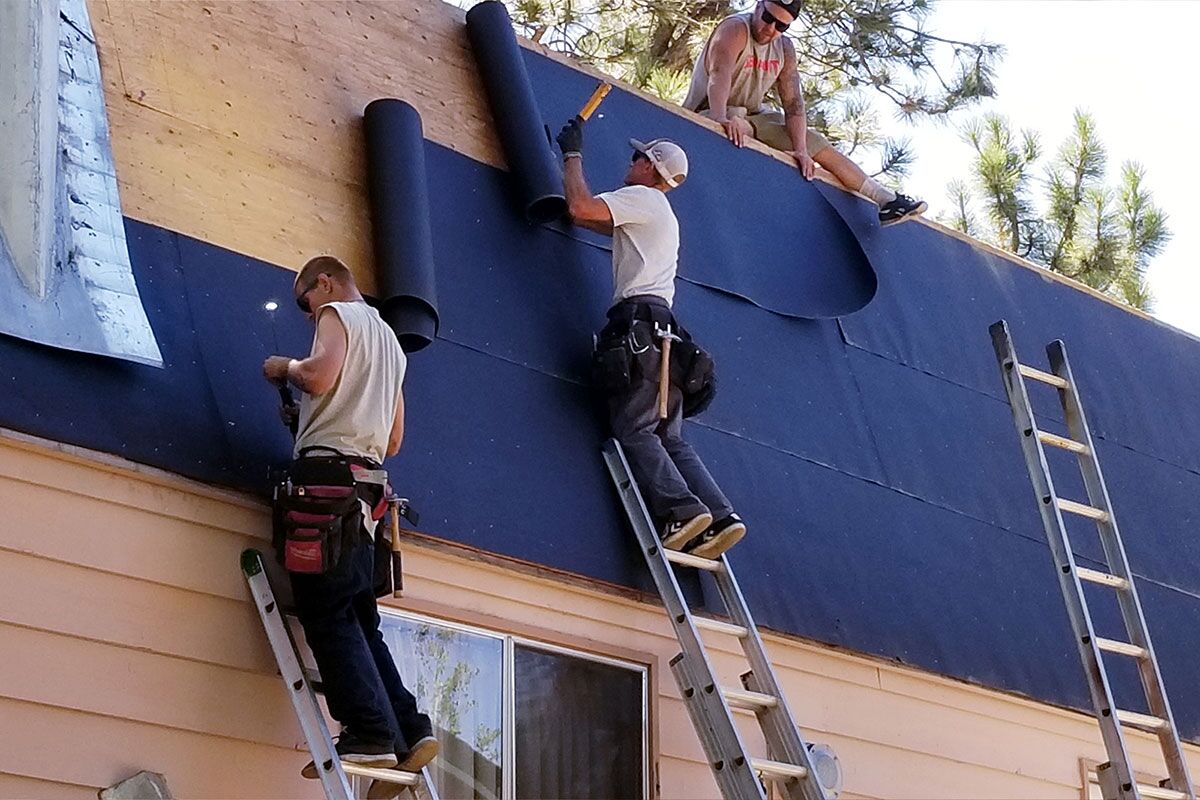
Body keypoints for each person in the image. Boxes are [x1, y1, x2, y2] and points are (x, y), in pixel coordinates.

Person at [263, 255, 437, 794]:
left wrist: (284, 369)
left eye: (305, 301)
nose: (307, 314)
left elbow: (318, 374)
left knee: (327, 612)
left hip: (327, 481)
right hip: (367, 492)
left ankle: (368, 732)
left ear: (326, 282)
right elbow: (392, 442)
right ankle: (409, 728)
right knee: (360, 617)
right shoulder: (390, 345)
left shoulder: (338, 313)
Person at [555, 118, 747, 559]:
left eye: (638, 156)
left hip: (638, 326)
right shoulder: (659, 214)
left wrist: (572, 155)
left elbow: (580, 209)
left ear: (651, 168)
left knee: (634, 428)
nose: (631, 160)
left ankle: (681, 508)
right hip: (665, 336)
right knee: (669, 436)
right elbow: (599, 221)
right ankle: (718, 516)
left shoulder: (642, 199)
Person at [682, 0, 927, 226]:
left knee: (816, 145)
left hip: (754, 116)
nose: (771, 29)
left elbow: (794, 104)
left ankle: (886, 199)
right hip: (712, 110)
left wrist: (800, 149)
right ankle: (735, 122)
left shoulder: (785, 49)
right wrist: (720, 118)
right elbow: (719, 73)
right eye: (768, 17)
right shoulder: (735, 30)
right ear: (758, 6)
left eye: (781, 26)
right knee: (737, 121)